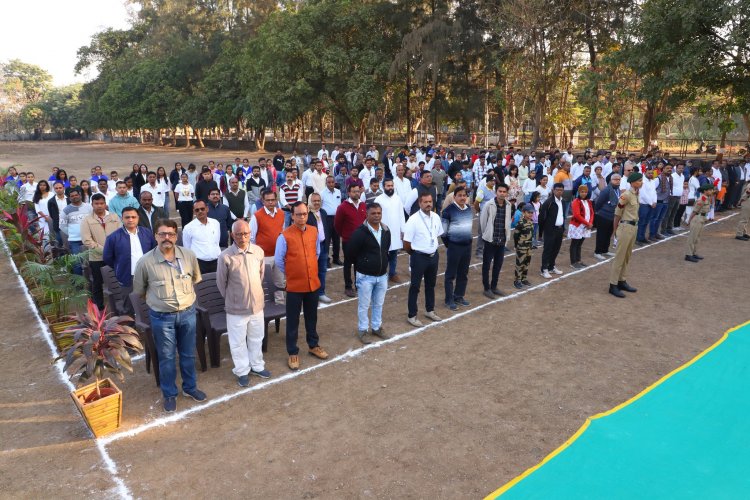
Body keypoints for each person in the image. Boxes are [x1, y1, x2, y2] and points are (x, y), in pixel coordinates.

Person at [133, 218, 205, 412]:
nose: (167, 238)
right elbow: (139, 290)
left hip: (188, 313)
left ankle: (190, 388)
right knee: (166, 357)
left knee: (188, 354)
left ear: (176, 236)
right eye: (162, 234)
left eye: (171, 234)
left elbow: (195, 279)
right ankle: (169, 394)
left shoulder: (189, 256)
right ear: (156, 236)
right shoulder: (145, 262)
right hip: (162, 318)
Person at [275, 201, 329, 371]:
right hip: (294, 286)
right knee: (292, 320)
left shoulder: (313, 231)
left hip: (312, 284)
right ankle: (292, 352)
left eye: (304, 214)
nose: (302, 217)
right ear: (292, 216)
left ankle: (313, 345)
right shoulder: (284, 236)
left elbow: (317, 253)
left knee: (312, 317)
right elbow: (279, 260)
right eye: (298, 214)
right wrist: (293, 272)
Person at [216, 219, 270, 387]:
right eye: (238, 234)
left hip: (256, 306)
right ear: (232, 235)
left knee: (256, 337)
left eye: (245, 233)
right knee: (238, 342)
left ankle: (257, 365)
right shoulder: (225, 256)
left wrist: (253, 294)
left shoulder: (258, 251)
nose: (242, 237)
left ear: (250, 234)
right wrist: (234, 298)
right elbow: (221, 283)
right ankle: (242, 370)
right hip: (236, 308)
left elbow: (260, 275)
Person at [345, 202, 391, 344]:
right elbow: (350, 254)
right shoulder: (359, 233)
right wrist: (363, 264)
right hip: (365, 276)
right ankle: (363, 330)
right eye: (373, 213)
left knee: (378, 304)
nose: (377, 216)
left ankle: (376, 327)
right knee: (364, 305)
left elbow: (386, 249)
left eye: (379, 213)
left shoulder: (386, 230)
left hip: (382, 276)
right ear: (367, 214)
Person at [103, 207, 157, 312]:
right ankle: (130, 326)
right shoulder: (113, 237)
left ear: (138, 218)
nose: (130, 220)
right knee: (129, 305)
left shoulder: (147, 233)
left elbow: (154, 251)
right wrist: (120, 266)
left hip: (148, 274)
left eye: (133, 217)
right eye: (127, 217)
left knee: (151, 301)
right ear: (122, 219)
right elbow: (107, 258)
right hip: (127, 276)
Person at [403, 192, 444, 327]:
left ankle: (429, 310)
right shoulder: (413, 219)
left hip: (433, 256)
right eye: (425, 202)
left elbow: (437, 235)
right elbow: (407, 243)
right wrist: (415, 254)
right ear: (420, 203)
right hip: (419, 257)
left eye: (430, 202)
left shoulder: (436, 217)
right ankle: (412, 315)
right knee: (415, 286)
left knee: (430, 285)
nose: (428, 204)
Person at [81, 194, 122, 310]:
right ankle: (99, 307)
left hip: (115, 256)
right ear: (92, 205)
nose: (99, 206)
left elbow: (120, 234)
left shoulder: (114, 217)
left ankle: (120, 304)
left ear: (105, 204)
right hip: (97, 257)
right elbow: (87, 240)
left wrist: (114, 250)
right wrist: (105, 251)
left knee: (118, 280)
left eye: (101, 203)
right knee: (97, 282)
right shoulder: (87, 220)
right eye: (96, 204)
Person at [608, 172, 643, 298]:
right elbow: (617, 214)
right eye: (639, 181)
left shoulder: (636, 194)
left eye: (641, 180)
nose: (641, 182)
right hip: (625, 227)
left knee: (627, 256)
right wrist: (615, 231)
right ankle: (613, 285)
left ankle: (622, 280)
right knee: (620, 257)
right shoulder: (626, 195)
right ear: (632, 182)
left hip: (633, 227)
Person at [250, 189, 286, 304]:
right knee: (264, 283)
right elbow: (251, 237)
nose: (271, 202)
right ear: (263, 201)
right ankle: (264, 305)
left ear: (276, 200)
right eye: (268, 200)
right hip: (264, 257)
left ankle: (279, 303)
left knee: (279, 282)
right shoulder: (257, 216)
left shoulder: (281, 213)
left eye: (273, 200)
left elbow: (283, 232)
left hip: (278, 255)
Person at [440, 185, 473, 309]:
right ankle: (449, 300)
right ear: (454, 197)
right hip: (454, 247)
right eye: (460, 195)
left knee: (463, 273)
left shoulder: (469, 209)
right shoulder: (448, 211)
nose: (462, 198)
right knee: (450, 274)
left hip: (467, 247)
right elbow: (443, 233)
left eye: (464, 195)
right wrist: (451, 244)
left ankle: (459, 296)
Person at [334, 184, 367, 297]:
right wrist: (345, 235)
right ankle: (348, 286)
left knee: (360, 263)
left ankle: (359, 285)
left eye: (358, 191)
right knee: (348, 264)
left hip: (362, 241)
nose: (356, 193)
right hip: (349, 241)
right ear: (348, 193)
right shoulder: (343, 207)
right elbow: (337, 224)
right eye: (354, 191)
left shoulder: (363, 205)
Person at [480, 183, 512, 298]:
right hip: (490, 240)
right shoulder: (489, 205)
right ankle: (486, 288)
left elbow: (507, 222)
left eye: (504, 192)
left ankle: (494, 286)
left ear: (507, 193)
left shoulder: (508, 205)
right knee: (486, 265)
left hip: (502, 240)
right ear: (496, 192)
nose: (502, 194)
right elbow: (483, 222)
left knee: (498, 265)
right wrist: (487, 234)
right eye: (500, 191)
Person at [374, 179, 406, 283]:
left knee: (393, 254)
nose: (390, 187)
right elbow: (375, 217)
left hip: (395, 231)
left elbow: (401, 215)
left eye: (391, 185)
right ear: (383, 187)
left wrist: (403, 230)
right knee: (382, 255)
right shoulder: (378, 200)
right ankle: (381, 275)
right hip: (383, 231)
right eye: (388, 186)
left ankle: (392, 274)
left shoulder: (397, 198)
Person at [182, 199, 221, 273]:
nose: (200, 211)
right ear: (194, 211)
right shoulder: (188, 228)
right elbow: (187, 248)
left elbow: (216, 242)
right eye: (197, 210)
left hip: (217, 261)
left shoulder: (216, 223)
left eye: (202, 209)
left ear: (207, 209)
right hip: (199, 264)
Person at [306, 193, 332, 304]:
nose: (317, 203)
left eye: (318, 200)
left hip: (323, 246)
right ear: (310, 201)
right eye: (314, 201)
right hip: (312, 249)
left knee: (322, 271)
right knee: (311, 272)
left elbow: (326, 228)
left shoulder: (323, 212)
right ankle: (312, 295)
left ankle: (321, 293)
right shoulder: (307, 214)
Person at [60, 189, 92, 274]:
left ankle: (93, 282)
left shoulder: (89, 207)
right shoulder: (66, 210)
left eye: (76, 195)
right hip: (75, 240)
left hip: (89, 238)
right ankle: (80, 285)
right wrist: (72, 233)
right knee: (76, 262)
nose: (74, 197)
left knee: (92, 261)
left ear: (80, 195)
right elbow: (62, 225)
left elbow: (93, 220)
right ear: (69, 198)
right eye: (72, 196)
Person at [537, 183, 565, 279]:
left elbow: (563, 215)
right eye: (557, 190)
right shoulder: (548, 203)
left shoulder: (563, 202)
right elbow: (541, 218)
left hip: (559, 229)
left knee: (556, 249)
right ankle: (544, 269)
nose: (559, 191)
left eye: (561, 190)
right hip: (550, 230)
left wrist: (563, 228)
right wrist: (541, 233)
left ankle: (551, 266)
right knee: (548, 249)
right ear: (553, 190)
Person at [593, 174, 621, 259]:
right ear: (611, 180)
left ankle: (605, 250)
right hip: (603, 216)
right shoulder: (606, 190)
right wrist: (598, 211)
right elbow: (599, 202)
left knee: (608, 234)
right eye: (615, 179)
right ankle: (597, 251)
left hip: (613, 216)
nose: (617, 181)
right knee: (601, 234)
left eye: (619, 179)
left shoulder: (618, 190)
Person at [685, 184, 714, 262]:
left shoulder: (706, 198)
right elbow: (695, 211)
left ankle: (693, 253)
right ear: (705, 191)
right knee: (692, 237)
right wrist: (689, 220)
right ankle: (688, 255)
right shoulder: (702, 199)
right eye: (710, 190)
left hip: (702, 218)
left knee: (697, 237)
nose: (712, 191)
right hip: (697, 218)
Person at [569, 185, 595, 268]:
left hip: (586, 226)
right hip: (577, 226)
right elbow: (577, 215)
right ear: (579, 192)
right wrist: (588, 224)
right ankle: (573, 262)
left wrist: (590, 222)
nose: (584, 193)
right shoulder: (576, 201)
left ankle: (578, 260)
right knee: (575, 244)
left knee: (579, 244)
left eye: (585, 192)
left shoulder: (588, 201)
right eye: (582, 192)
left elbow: (592, 213)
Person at [320, 176, 342, 265]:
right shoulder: (322, 193)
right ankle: (326, 259)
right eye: (329, 182)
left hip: (337, 218)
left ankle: (336, 258)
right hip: (327, 219)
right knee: (327, 240)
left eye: (332, 182)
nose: (331, 184)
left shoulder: (338, 191)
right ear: (326, 183)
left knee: (337, 240)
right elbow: (320, 206)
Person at [513, 204, 535, 289]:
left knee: (527, 263)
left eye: (531, 213)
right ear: (523, 212)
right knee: (519, 264)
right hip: (521, 247)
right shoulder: (520, 223)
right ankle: (517, 280)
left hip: (529, 247)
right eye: (528, 212)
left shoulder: (531, 221)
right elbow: (516, 235)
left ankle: (523, 278)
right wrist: (516, 245)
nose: (530, 214)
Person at [47, 181, 69, 246]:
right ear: (54, 189)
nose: (58, 189)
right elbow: (51, 214)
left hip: (70, 224)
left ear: (63, 188)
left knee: (70, 243)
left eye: (60, 188)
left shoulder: (70, 199)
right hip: (58, 224)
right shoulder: (51, 201)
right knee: (59, 242)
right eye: (56, 188)